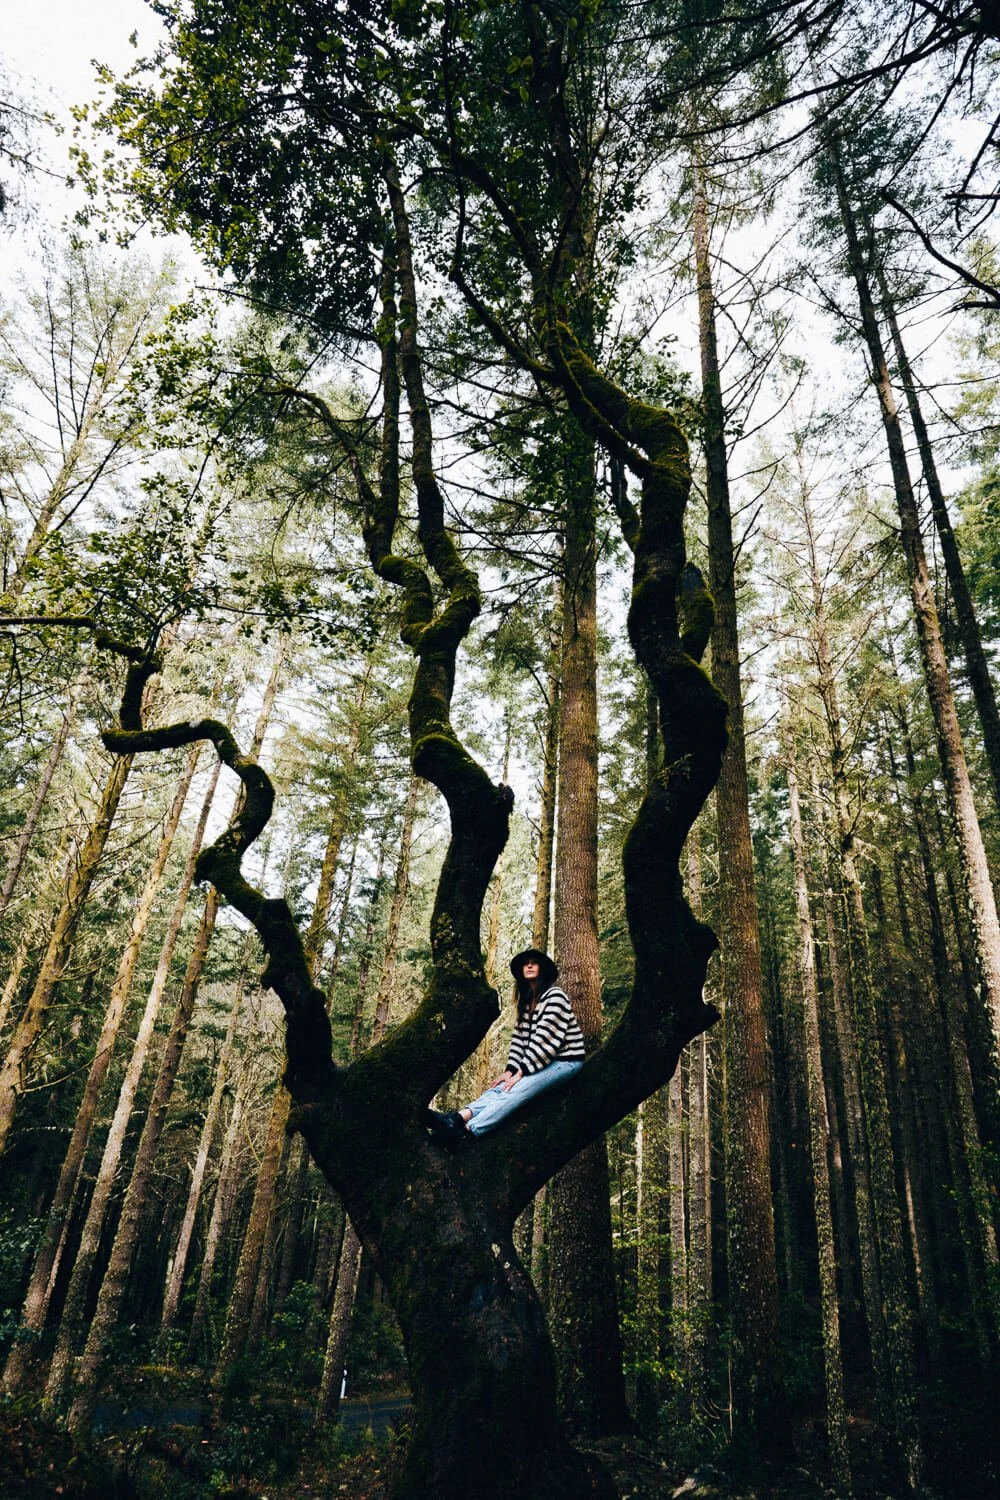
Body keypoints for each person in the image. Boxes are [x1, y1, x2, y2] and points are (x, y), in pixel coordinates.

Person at [427, 947, 584, 1147]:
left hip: (565, 1061)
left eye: (534, 962)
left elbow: (546, 1041)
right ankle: (457, 1119)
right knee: (501, 1087)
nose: (528, 965)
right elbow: (520, 1040)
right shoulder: (527, 1002)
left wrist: (521, 1072)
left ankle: (467, 1133)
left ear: (542, 968)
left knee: (517, 1090)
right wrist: (510, 1070)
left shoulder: (555, 996)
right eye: (525, 963)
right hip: (541, 1060)